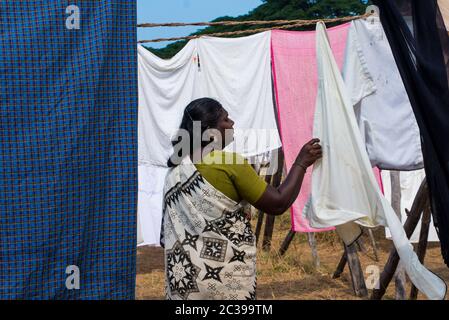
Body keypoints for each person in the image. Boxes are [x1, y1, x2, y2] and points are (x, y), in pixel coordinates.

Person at [161, 97, 322, 300]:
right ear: (210, 130)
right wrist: (301, 163)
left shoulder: (174, 171)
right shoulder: (228, 163)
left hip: (184, 284)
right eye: (226, 119)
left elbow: (168, 234)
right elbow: (278, 202)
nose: (232, 123)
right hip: (224, 282)